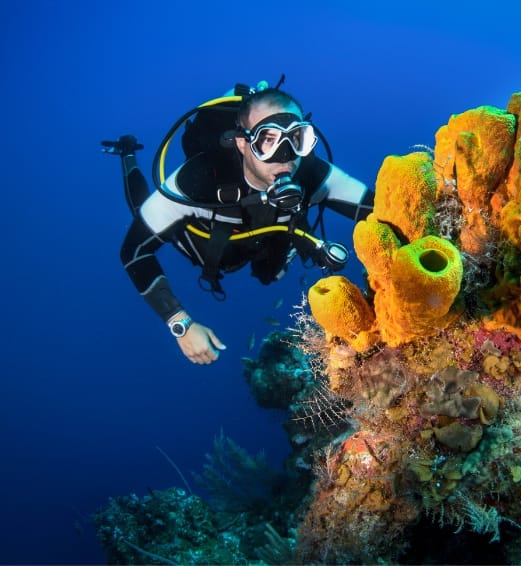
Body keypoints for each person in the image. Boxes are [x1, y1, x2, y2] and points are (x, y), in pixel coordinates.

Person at [105, 82, 373, 365]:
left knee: (271, 270)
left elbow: (381, 208)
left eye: (296, 138)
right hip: (204, 246)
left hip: (270, 243)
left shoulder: (312, 173)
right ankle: (127, 153)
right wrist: (180, 324)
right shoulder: (199, 179)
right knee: (141, 210)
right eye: (268, 139)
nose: (286, 156)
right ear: (243, 143)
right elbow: (134, 250)